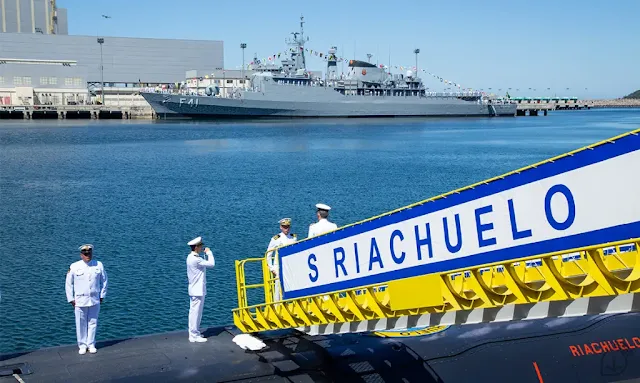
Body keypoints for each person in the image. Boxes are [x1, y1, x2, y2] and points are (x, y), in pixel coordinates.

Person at [65, 244, 108, 355]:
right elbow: (68, 284)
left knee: (93, 322)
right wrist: (71, 299)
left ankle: (91, 344)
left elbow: (104, 281)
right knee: (81, 323)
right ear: (81, 255)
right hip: (80, 300)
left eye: (89, 253)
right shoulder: (74, 266)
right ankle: (82, 345)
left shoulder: (98, 265)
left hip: (94, 299)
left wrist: (102, 295)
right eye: (85, 254)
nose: (87, 255)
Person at [186, 236, 215, 342]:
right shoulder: (196, 259)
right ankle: (194, 335)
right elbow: (212, 264)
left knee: (195, 312)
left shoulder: (190, 257)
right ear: (197, 247)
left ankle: (195, 333)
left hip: (195, 289)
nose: (202, 247)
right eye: (201, 246)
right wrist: (209, 253)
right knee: (196, 313)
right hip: (197, 290)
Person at [265, 218, 297, 301]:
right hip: (279, 266)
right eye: (284, 227)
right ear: (281, 227)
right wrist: (272, 268)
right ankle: (277, 306)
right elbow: (268, 254)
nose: (286, 228)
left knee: (292, 285)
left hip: (291, 265)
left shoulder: (293, 237)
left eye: (287, 226)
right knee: (278, 287)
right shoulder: (276, 239)